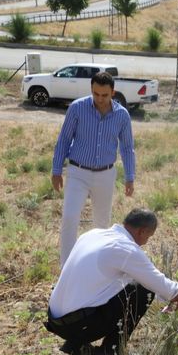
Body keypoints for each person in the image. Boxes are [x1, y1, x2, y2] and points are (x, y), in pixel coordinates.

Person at [44, 208, 178, 355]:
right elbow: (158, 283)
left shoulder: (93, 234)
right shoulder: (125, 248)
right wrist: (176, 295)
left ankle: (75, 343)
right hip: (74, 325)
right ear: (142, 231)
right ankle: (110, 352)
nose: (146, 242)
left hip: (55, 320)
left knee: (128, 286)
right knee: (143, 290)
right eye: (148, 237)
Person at [51, 71, 136, 267]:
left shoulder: (122, 115)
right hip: (77, 171)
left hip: (105, 174)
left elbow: (127, 147)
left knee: (101, 224)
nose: (100, 99)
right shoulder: (77, 108)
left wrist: (130, 177)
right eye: (96, 94)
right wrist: (56, 170)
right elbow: (64, 139)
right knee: (70, 217)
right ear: (91, 90)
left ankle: (96, 268)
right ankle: (67, 269)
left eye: (104, 95)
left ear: (112, 92)